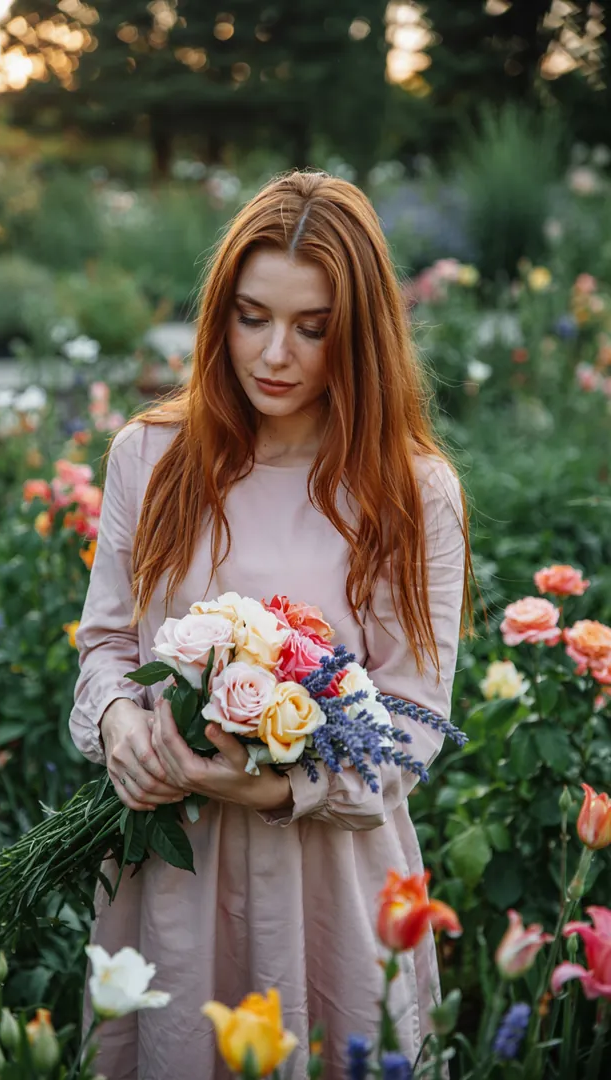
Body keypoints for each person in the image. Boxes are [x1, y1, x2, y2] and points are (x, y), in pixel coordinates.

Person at [69, 170, 472, 1080]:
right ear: (221, 314)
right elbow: (104, 646)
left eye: (313, 327)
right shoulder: (152, 455)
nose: (274, 354)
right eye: (252, 317)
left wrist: (270, 785)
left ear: (359, 335)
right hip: (170, 863)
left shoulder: (410, 494)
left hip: (325, 879)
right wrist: (119, 723)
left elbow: (408, 731)